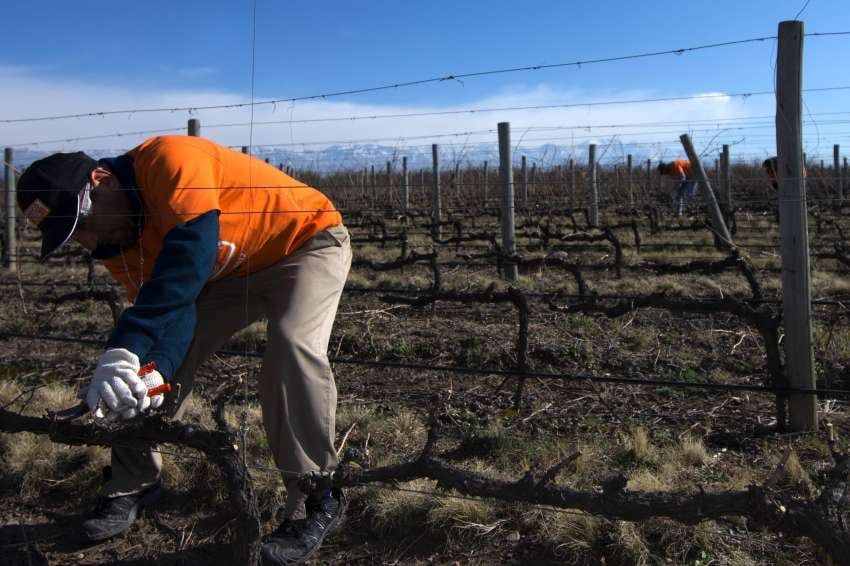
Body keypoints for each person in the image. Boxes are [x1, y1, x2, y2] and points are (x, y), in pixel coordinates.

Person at [17, 135, 352, 565]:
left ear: (101, 181)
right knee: (137, 371)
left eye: (82, 224)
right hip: (227, 274)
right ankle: (132, 481)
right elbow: (169, 315)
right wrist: (154, 371)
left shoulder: (169, 160)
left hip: (304, 242)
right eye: (71, 235)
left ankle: (317, 495)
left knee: (293, 346)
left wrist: (124, 345)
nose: (87, 240)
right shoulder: (115, 240)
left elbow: (190, 256)